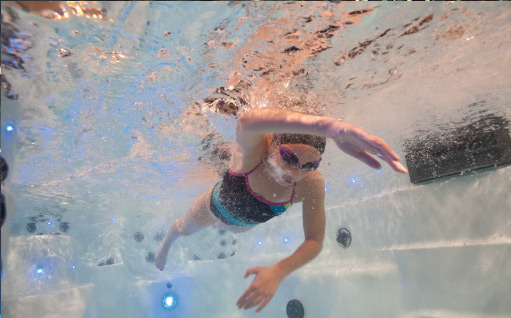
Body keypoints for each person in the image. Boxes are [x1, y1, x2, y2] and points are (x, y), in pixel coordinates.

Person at [154, 107, 408, 313]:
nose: (295, 172)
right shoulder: (254, 153)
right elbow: (246, 120)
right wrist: (329, 127)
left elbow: (315, 240)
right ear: (273, 142)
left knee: (231, 229)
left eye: (310, 164)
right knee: (184, 229)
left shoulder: (311, 184)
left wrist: (279, 270)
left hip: (245, 224)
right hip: (215, 207)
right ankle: (167, 242)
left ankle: (224, 226)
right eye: (288, 157)